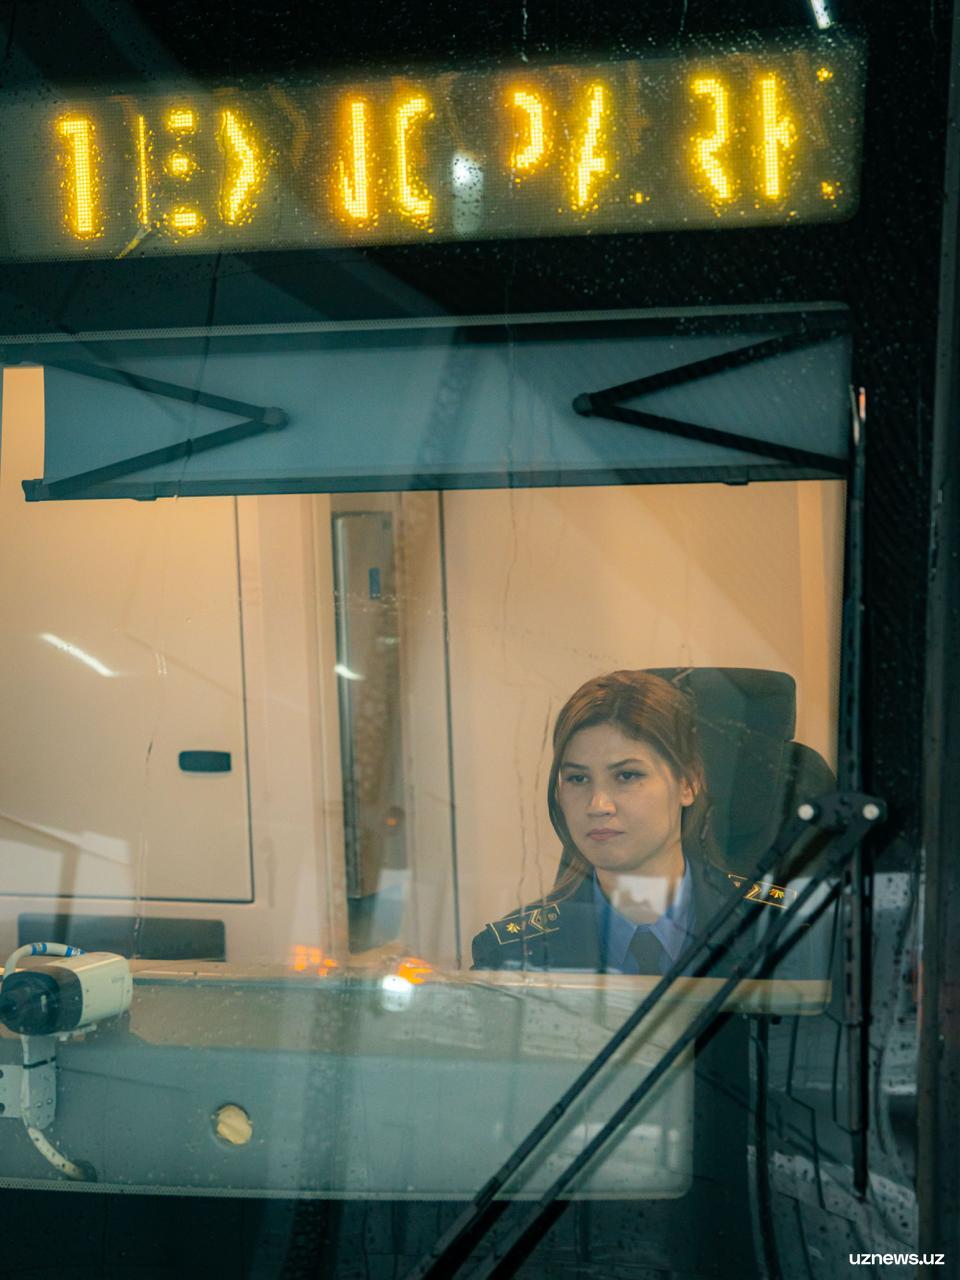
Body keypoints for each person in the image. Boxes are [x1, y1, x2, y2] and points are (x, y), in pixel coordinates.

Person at [471, 669, 812, 977]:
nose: (598, 805)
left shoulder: (786, 927)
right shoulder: (512, 954)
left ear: (688, 782)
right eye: (577, 778)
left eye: (627, 775)